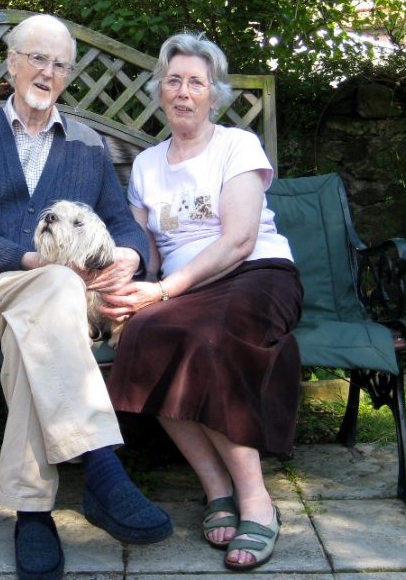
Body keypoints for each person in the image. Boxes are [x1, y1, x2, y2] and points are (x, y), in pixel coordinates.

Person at [0, 14, 173, 580]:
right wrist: (35, 263)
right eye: (37, 58)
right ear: (12, 62)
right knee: (56, 283)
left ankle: (33, 515)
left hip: (54, 313)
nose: (47, 72)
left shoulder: (89, 147)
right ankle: (101, 466)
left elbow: (123, 224)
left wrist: (129, 257)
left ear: (68, 75)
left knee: (36, 334)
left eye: (59, 64)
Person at [101, 32, 303, 572]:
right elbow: (139, 244)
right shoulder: (146, 164)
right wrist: (119, 282)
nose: (184, 92)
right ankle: (216, 488)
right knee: (143, 337)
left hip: (257, 274)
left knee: (208, 341)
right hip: (186, 289)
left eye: (196, 82)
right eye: (173, 81)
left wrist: (164, 289)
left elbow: (238, 240)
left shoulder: (237, 146)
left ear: (215, 94)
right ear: (159, 93)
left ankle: (256, 499)